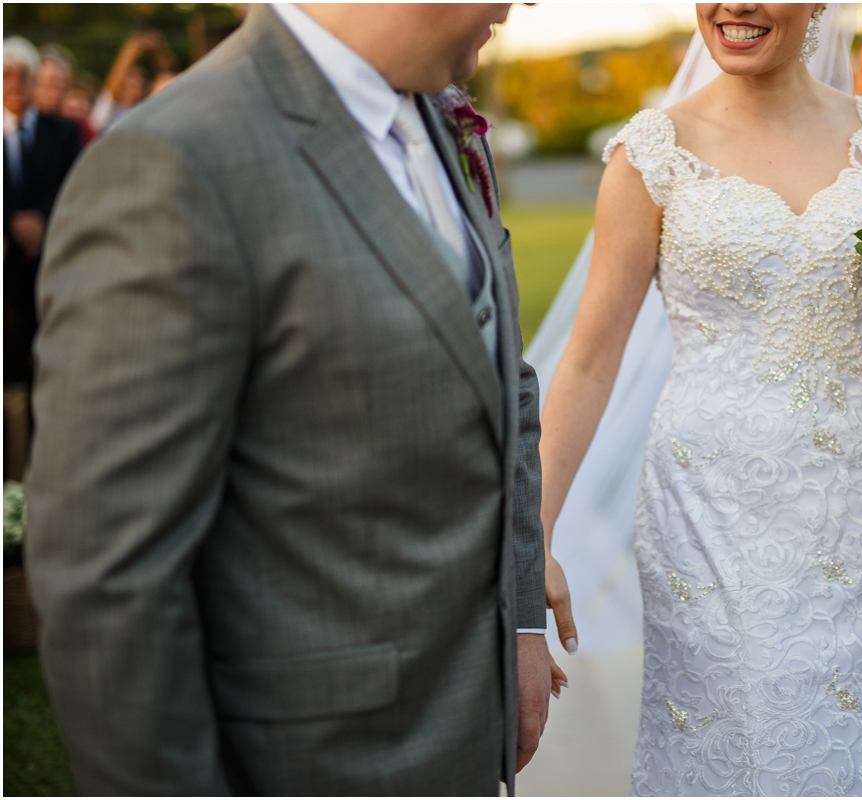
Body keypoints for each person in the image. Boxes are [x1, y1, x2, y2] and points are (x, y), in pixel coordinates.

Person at [26, 5, 559, 794]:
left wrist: (517, 620)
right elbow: (110, 590)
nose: (527, 3)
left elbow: (500, 378)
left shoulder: (433, 114)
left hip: (469, 742)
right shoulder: (176, 162)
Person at [535, 4, 862, 794]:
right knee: (743, 736)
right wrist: (533, 537)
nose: (736, 5)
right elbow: (588, 362)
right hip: (713, 503)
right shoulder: (652, 153)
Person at [3, 37, 81, 479]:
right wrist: (11, 222)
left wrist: (44, 221)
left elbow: (76, 185)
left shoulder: (62, 131)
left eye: (23, 77)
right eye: (6, 77)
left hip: (51, 277)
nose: (15, 85)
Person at [88, 29, 176, 133]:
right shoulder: (109, 111)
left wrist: (158, 50)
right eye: (131, 77)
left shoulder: (150, 108)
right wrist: (133, 47)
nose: (136, 82)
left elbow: (170, 80)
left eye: (140, 78)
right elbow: (112, 86)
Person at [32, 44, 73, 116]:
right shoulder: (13, 124)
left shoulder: (77, 124)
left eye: (64, 87)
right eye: (52, 85)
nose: (58, 93)